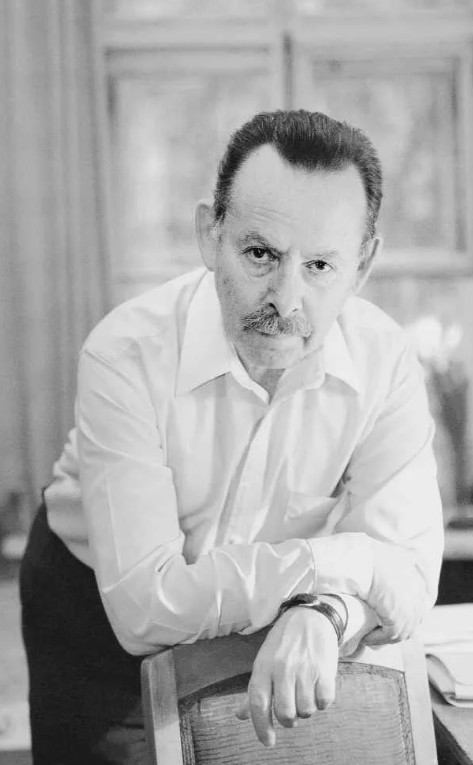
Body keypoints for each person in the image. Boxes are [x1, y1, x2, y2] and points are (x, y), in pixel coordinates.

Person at [20, 109, 444, 765]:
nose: (286, 299)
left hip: (276, 609)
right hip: (97, 605)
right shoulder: (122, 353)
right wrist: (340, 563)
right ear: (209, 236)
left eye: (320, 265)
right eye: (259, 254)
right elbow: (145, 610)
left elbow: (409, 580)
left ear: (362, 267)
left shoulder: (384, 363)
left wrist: (324, 611)